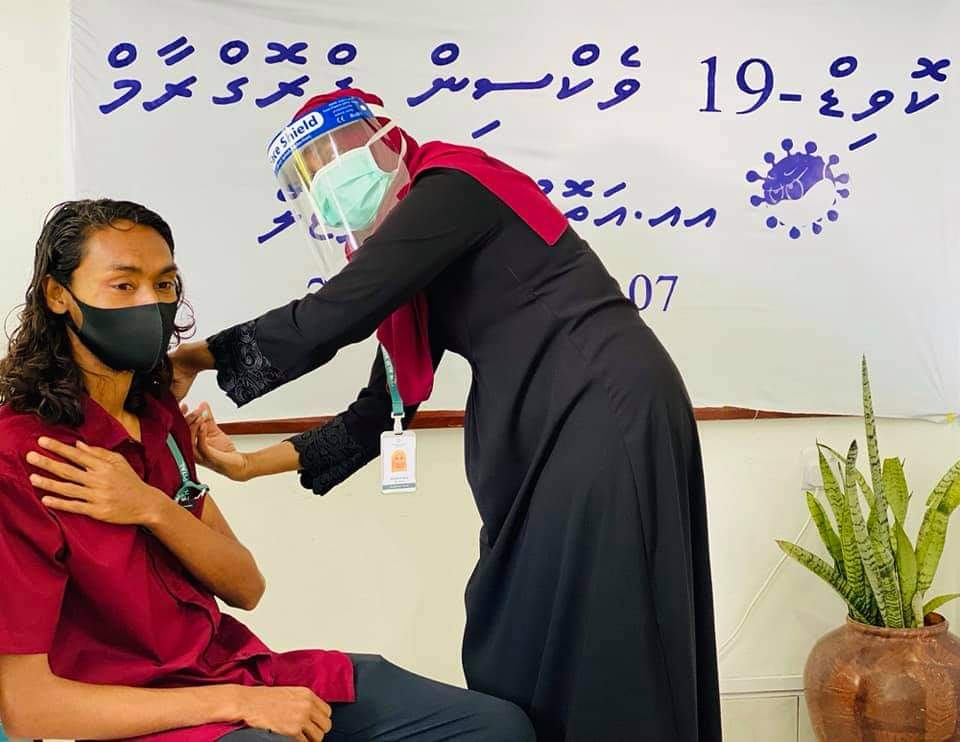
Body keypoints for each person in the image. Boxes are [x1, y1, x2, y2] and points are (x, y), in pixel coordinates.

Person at [172, 87, 722, 742]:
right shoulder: (419, 249)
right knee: (515, 625)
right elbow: (379, 411)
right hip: (546, 426)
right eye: (310, 176)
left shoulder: (454, 187)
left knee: (608, 630)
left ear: (383, 138)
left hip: (602, 405)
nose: (328, 183)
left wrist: (195, 358)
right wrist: (247, 465)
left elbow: (333, 316)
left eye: (335, 156)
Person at [0, 199, 535, 742]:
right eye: (123, 285)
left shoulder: (158, 418)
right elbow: (30, 708)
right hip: (143, 715)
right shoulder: (21, 457)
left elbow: (245, 585)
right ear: (57, 295)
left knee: (493, 727)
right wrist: (237, 703)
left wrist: (152, 506)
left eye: (164, 285)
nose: (149, 303)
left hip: (232, 669)